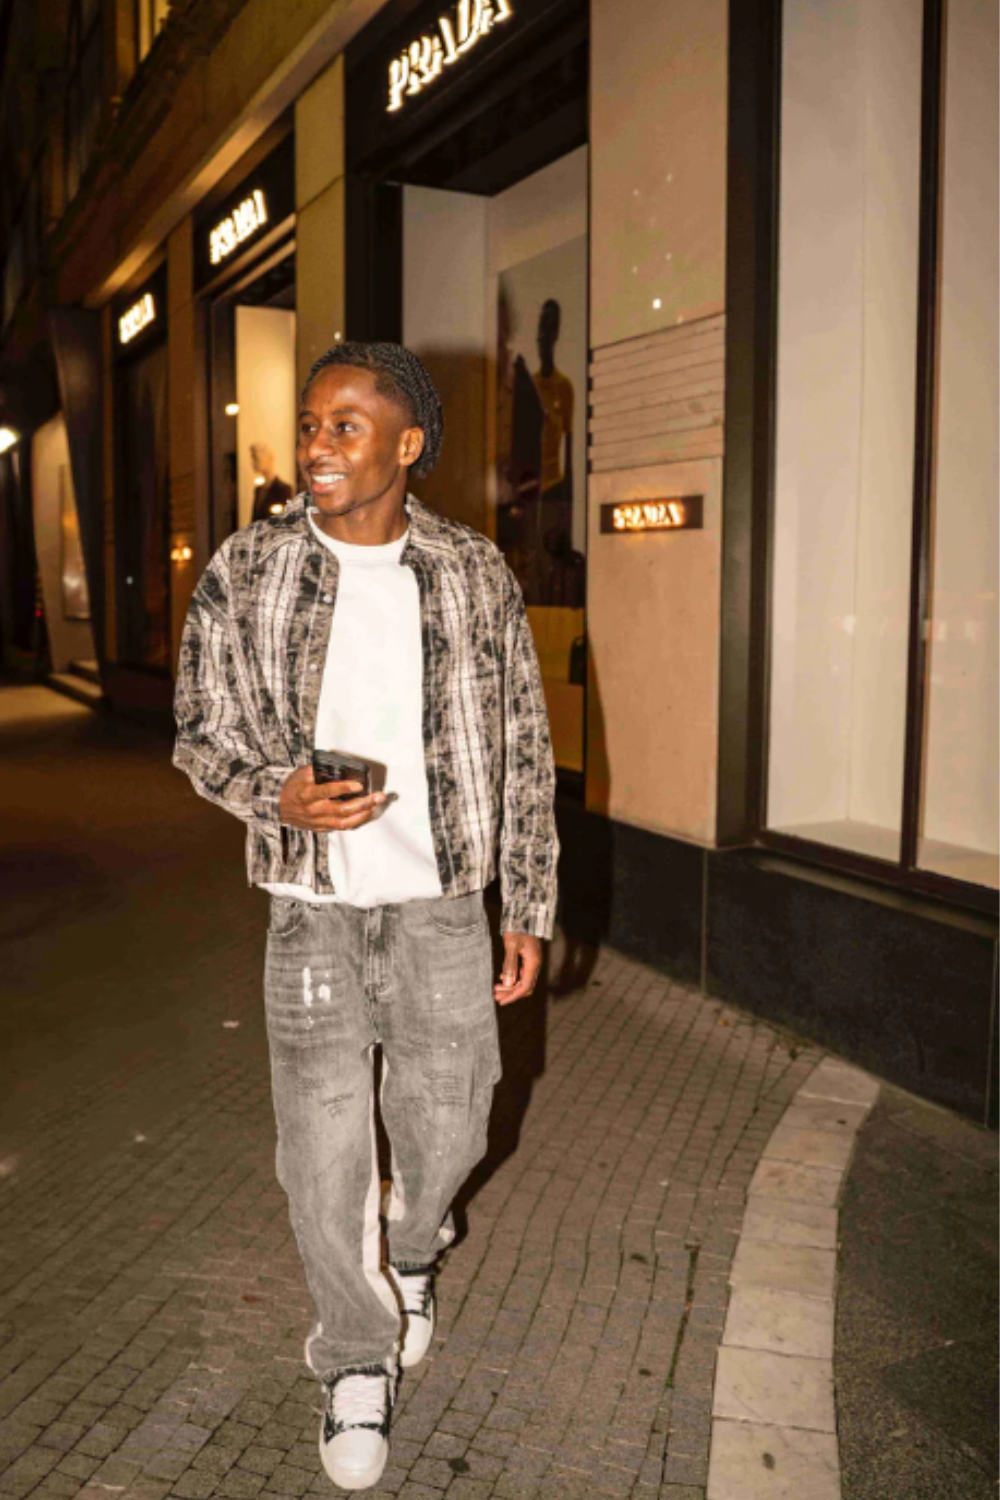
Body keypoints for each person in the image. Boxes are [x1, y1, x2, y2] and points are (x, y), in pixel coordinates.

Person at [173, 342, 558, 1492]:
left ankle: (413, 1248)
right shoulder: (249, 567)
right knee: (322, 1150)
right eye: (311, 423)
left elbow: (524, 744)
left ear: (407, 443)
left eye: (346, 425)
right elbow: (198, 729)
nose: (318, 446)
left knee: (452, 1128)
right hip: (311, 909)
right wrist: (272, 793)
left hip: (442, 902)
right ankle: (352, 1354)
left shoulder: (471, 571)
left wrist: (528, 899)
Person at [249, 440, 293, 521]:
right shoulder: (258, 490)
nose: (253, 463)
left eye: (256, 459)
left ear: (268, 459)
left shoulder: (283, 489)